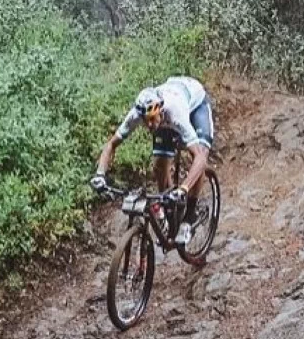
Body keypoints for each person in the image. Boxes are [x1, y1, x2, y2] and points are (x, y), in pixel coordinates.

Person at [90, 76, 214, 245]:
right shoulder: (137, 114)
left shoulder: (174, 112)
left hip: (195, 104)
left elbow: (199, 157)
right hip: (169, 108)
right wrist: (100, 174)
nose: (149, 125)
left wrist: (184, 188)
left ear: (160, 111)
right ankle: (170, 209)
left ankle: (189, 216)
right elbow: (111, 144)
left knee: (200, 156)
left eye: (152, 119)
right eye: (145, 120)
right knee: (159, 165)